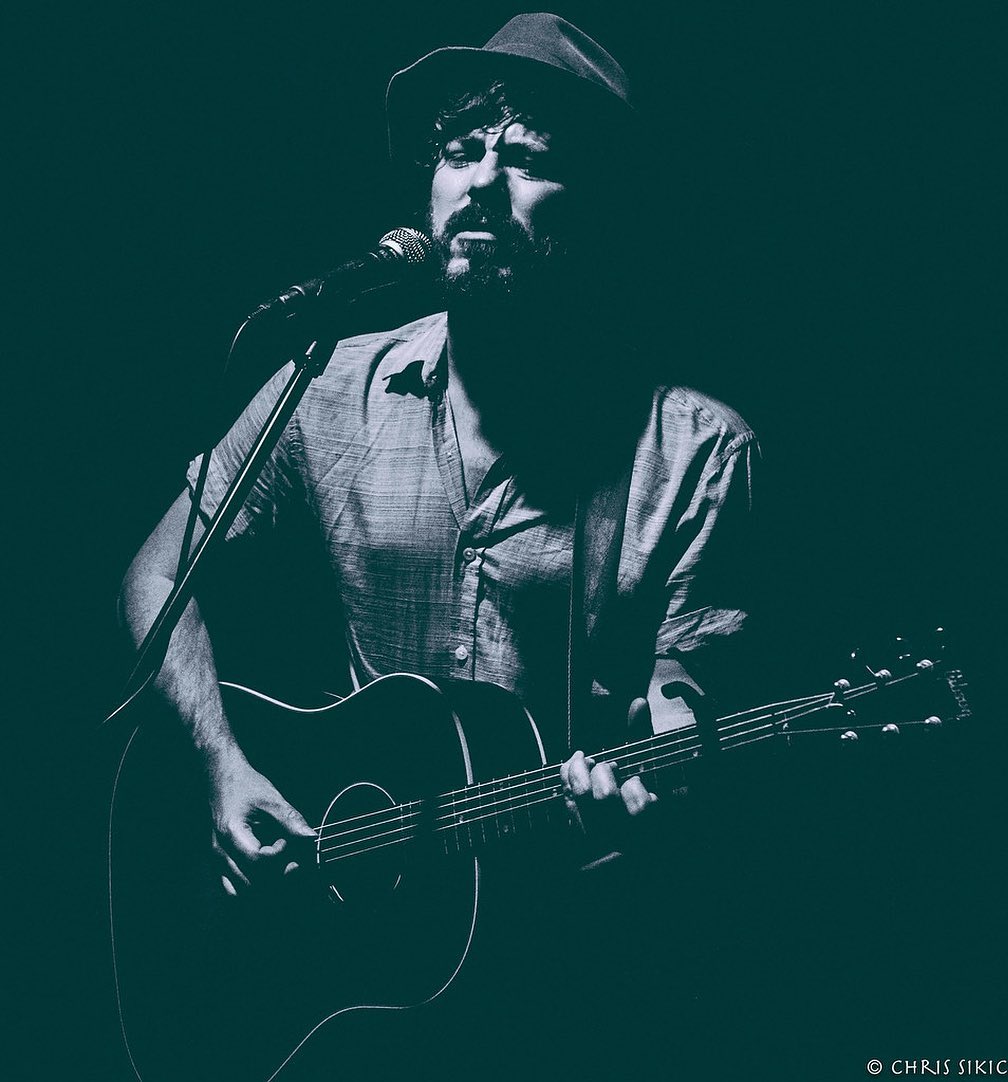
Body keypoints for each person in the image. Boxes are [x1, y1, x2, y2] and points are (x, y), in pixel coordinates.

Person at [119, 12, 758, 1074]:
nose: (482, 185)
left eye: (530, 160)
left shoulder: (693, 449)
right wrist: (222, 764)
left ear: (602, 201)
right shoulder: (329, 384)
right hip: (361, 955)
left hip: (568, 961)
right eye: (460, 152)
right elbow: (157, 570)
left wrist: (669, 753)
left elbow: (685, 683)